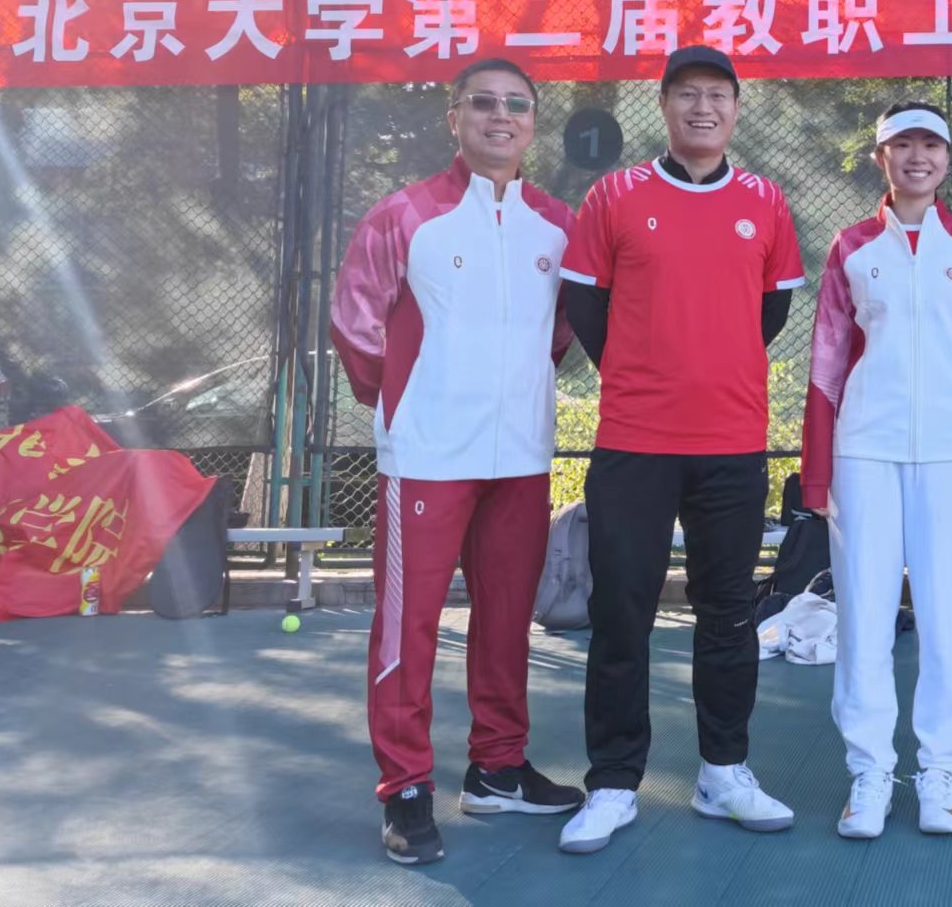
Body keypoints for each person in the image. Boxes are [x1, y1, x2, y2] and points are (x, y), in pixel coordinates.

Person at [329, 56, 586, 867]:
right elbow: (356, 324)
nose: (500, 116)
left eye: (517, 105)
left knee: (507, 617)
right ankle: (405, 785)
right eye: (482, 103)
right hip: (427, 455)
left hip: (522, 457)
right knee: (408, 627)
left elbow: (561, 331)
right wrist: (405, 406)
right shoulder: (405, 216)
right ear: (454, 118)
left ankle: (498, 768)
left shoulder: (558, 225)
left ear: (534, 123)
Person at [555, 45, 806, 854]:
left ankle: (723, 772)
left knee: (727, 614)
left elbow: (769, 313)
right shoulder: (615, 195)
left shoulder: (765, 201)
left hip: (733, 443)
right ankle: (613, 781)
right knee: (620, 613)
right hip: (634, 442)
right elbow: (586, 304)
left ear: (736, 109)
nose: (703, 108)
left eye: (718, 96)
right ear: (663, 107)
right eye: (687, 95)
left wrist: (712, 365)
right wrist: (643, 371)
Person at [799, 100, 952, 840]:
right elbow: (826, 364)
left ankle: (941, 770)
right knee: (863, 617)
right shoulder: (852, 246)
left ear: (948, 159)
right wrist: (818, 473)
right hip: (864, 452)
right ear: (880, 158)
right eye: (902, 145)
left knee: (948, 621)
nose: (917, 157)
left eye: (931, 145)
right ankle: (869, 772)